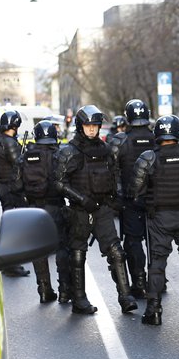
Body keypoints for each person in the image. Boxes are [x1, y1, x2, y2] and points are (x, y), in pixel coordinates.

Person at [129, 115, 179, 325]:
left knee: (157, 264)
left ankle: (154, 311)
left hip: (159, 219)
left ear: (158, 134)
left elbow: (135, 190)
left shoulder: (148, 158)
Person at [54, 105, 137, 315]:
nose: (92, 129)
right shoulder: (69, 151)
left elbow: (115, 174)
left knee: (116, 252)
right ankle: (79, 300)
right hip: (80, 211)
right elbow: (59, 183)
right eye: (88, 125)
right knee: (78, 254)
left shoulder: (106, 150)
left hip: (102, 209)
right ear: (80, 126)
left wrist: (114, 197)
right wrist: (82, 199)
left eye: (95, 126)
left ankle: (126, 297)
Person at [106, 99, 154, 298]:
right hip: (155, 199)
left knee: (134, 242)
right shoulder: (157, 137)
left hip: (130, 199)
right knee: (156, 242)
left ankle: (140, 282)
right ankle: (159, 280)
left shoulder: (120, 140)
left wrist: (116, 198)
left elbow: (111, 172)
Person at [21, 120, 70, 303]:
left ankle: (44, 290)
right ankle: (65, 290)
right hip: (55, 206)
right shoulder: (59, 155)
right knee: (62, 247)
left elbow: (16, 184)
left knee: (39, 251)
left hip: (34, 209)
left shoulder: (26, 156)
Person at [0, 110, 30, 277]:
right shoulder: (10, 143)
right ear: (14, 125)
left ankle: (9, 263)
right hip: (12, 188)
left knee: (10, 225)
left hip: (3, 187)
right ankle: (11, 264)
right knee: (15, 227)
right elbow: (19, 163)